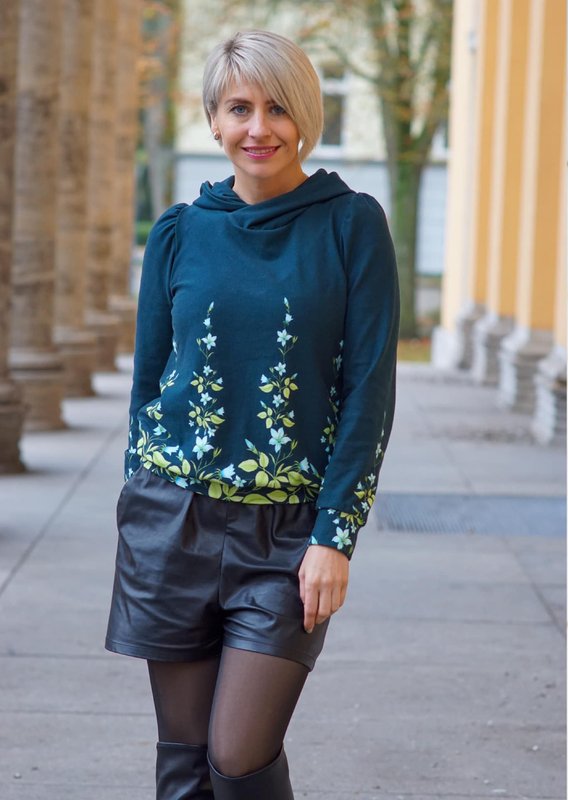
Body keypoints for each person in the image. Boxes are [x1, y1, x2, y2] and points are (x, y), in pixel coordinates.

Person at [105, 29, 399, 800]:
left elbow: (368, 389)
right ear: (213, 119)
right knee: (184, 765)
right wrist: (137, 499)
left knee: (237, 757)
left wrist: (335, 535)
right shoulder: (178, 231)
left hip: (287, 537)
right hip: (172, 524)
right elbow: (148, 381)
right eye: (239, 108)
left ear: (306, 116)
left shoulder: (351, 224)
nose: (258, 127)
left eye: (278, 107)